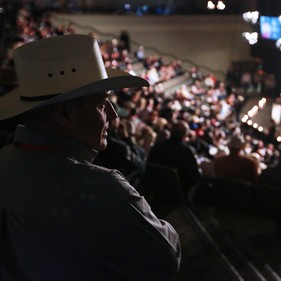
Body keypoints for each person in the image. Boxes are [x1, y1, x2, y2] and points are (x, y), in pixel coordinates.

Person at [0, 34, 181, 280]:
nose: (113, 114)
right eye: (101, 104)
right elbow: (166, 259)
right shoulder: (99, 189)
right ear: (64, 113)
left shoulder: (5, 160)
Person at [147, 120, 202, 194]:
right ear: (185, 135)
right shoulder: (187, 152)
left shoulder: (158, 147)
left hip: (152, 188)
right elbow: (195, 177)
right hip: (176, 194)